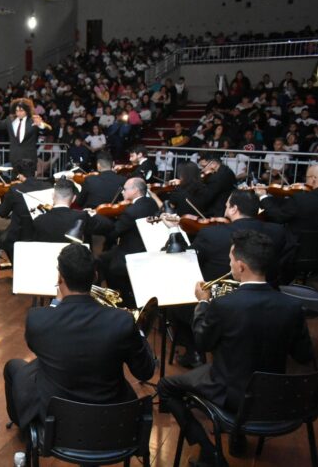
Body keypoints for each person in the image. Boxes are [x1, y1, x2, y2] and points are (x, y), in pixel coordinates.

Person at [158, 231, 313, 466]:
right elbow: (303, 355)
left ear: (240, 267)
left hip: (232, 394)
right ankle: (237, 437)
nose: (229, 263)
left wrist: (202, 303)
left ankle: (209, 452)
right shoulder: (292, 307)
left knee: (166, 387)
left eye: (230, 259)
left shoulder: (223, 306)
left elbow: (202, 343)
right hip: (276, 396)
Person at [4, 244, 154, 430]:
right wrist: (138, 331)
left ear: (60, 278)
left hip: (57, 421)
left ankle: (25, 427)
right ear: (95, 276)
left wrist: (55, 305)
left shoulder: (37, 319)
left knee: (13, 367)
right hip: (113, 420)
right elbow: (145, 372)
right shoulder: (123, 321)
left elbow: (39, 347)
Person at [161, 190, 291, 367]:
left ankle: (195, 352)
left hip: (221, 303)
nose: (225, 207)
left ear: (234, 209)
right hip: (267, 298)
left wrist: (174, 229)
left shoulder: (212, 234)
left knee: (177, 304)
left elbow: (187, 260)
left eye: (227, 204)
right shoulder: (277, 232)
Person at [97, 177, 157, 307]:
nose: (122, 192)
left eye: (124, 189)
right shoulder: (151, 203)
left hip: (130, 253)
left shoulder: (130, 211)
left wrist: (104, 219)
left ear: (135, 190)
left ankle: (119, 297)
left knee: (100, 260)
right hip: (147, 249)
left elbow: (114, 233)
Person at [0, 159, 50, 262]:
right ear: (35, 172)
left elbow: (2, 212)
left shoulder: (15, 190)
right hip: (41, 234)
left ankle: (16, 264)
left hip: (19, 236)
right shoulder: (47, 186)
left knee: (0, 236)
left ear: (20, 175)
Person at [33, 178, 110, 243]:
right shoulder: (82, 216)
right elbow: (108, 225)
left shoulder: (39, 220)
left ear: (53, 196)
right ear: (73, 199)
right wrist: (93, 214)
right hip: (75, 259)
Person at [257, 164, 318, 238]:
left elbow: (278, 217)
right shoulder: (301, 198)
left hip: (298, 246)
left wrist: (263, 196)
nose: (305, 181)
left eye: (307, 177)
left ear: (314, 178)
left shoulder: (300, 199)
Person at [0, 99, 48, 165]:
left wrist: (40, 125)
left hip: (29, 159)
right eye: (17, 110)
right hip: (14, 158)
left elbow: (46, 131)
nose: (18, 113)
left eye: (21, 110)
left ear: (27, 110)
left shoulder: (33, 120)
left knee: (28, 175)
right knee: (15, 175)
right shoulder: (10, 120)